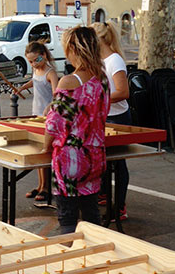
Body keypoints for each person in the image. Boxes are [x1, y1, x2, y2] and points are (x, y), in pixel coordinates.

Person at [44, 26, 109, 234]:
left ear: (73, 48)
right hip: (95, 156)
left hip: (70, 159)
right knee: (91, 214)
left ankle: (71, 259)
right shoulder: (103, 79)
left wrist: (45, 147)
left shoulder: (69, 82)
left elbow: (54, 125)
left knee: (68, 218)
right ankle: (95, 258)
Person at [91, 21, 131, 220]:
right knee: (104, 160)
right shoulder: (97, 61)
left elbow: (123, 92)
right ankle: (105, 194)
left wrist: (98, 98)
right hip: (104, 115)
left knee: (118, 163)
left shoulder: (114, 60)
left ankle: (120, 206)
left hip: (117, 116)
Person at [15, 41, 58, 203]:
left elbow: (57, 93)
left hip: (47, 117)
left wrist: (50, 107)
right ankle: (40, 185)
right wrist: (22, 87)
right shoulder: (36, 70)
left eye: (35, 60)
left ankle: (47, 187)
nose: (33, 64)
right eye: (30, 61)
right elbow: (35, 81)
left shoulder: (51, 72)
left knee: (45, 153)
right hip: (36, 114)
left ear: (44, 55)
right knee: (39, 151)